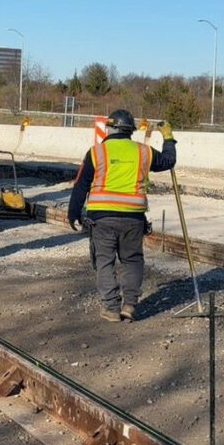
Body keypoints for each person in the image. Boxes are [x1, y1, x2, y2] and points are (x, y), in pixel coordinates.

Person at [67, 110, 177, 323]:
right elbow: (168, 161)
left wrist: (73, 213)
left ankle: (111, 308)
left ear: (110, 128)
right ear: (130, 131)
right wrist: (169, 138)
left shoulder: (96, 152)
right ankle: (129, 305)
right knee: (133, 260)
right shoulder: (143, 152)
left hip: (102, 218)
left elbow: (81, 184)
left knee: (104, 261)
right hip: (133, 218)